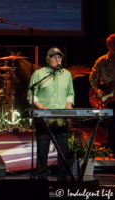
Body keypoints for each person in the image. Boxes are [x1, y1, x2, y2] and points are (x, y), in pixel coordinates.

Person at [27, 47, 74, 182]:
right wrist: (41, 108)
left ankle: (62, 176)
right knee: (43, 146)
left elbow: (70, 93)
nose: (57, 59)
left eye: (59, 57)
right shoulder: (39, 73)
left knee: (63, 147)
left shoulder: (67, 74)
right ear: (47, 59)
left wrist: (68, 106)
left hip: (61, 116)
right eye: (54, 57)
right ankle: (41, 177)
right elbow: (31, 93)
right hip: (44, 116)